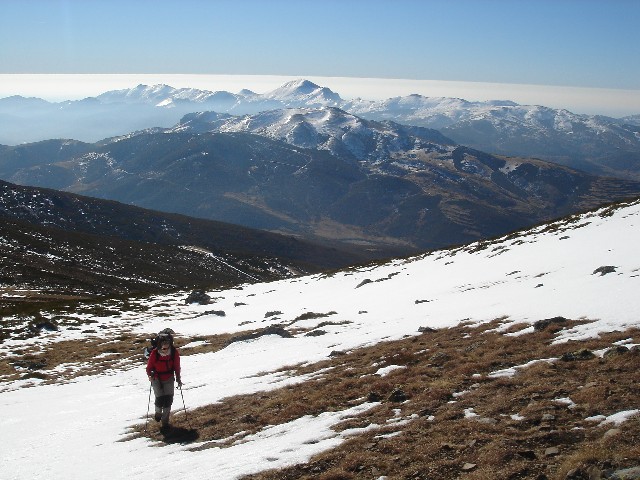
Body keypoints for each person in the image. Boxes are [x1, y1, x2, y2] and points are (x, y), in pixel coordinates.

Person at [146, 332, 182, 431]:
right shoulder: (154, 353)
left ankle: (165, 422)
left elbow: (177, 366)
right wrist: (150, 375)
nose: (165, 350)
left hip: (169, 377)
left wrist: (178, 378)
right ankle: (158, 412)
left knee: (168, 400)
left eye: (167, 347)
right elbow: (149, 367)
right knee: (160, 398)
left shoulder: (174, 352)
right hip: (156, 378)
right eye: (163, 348)